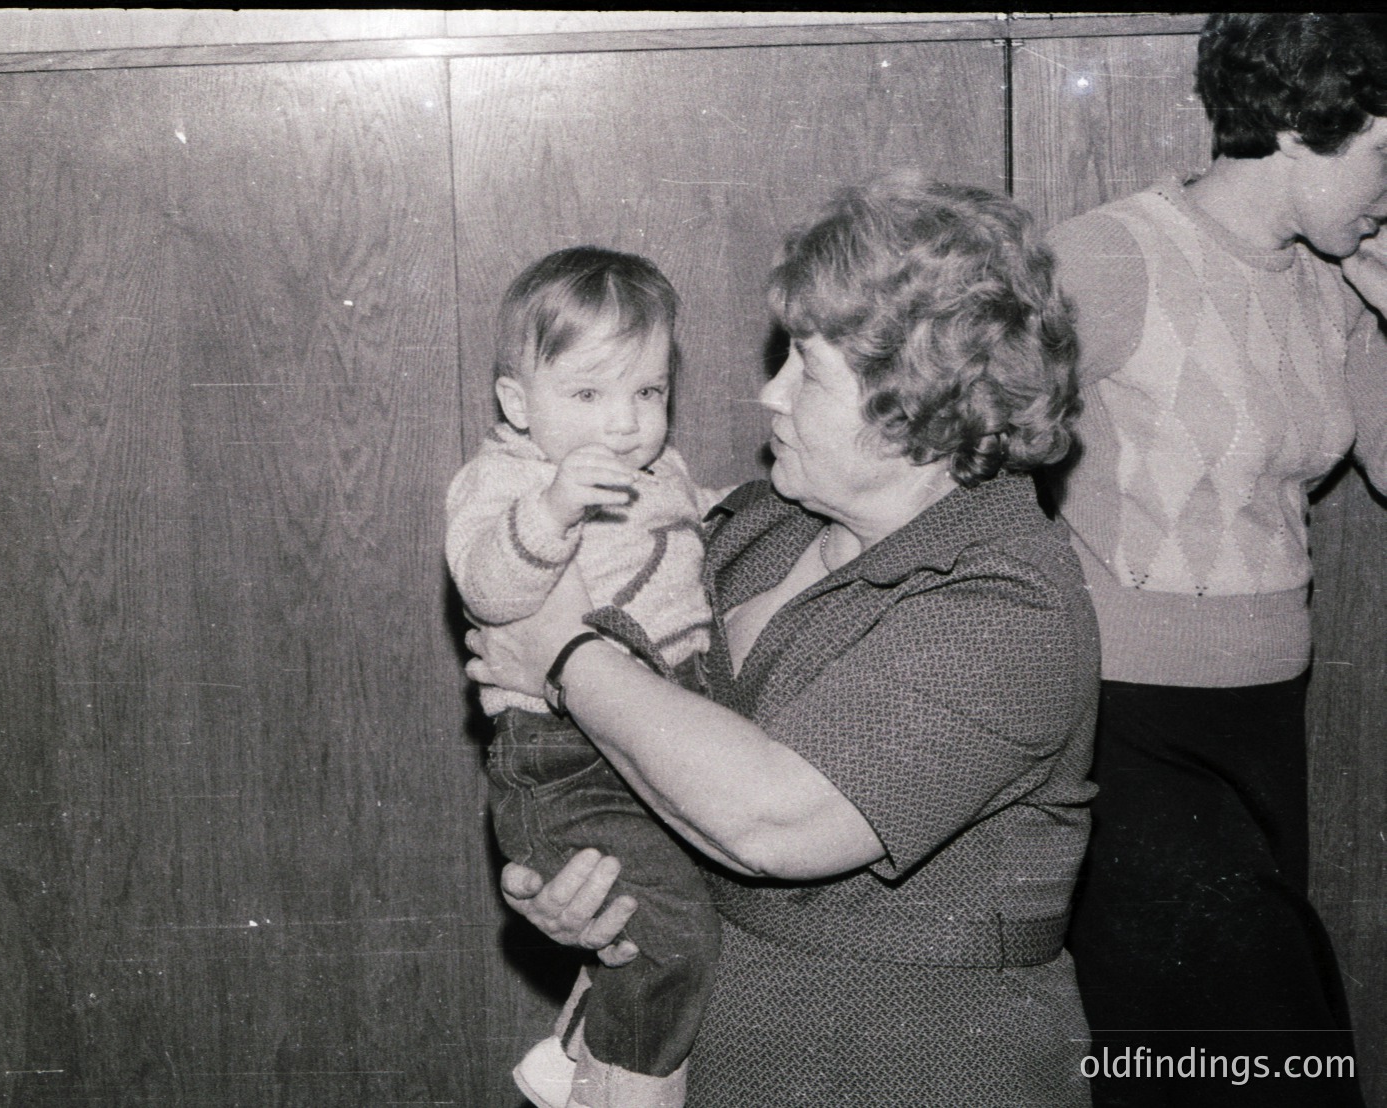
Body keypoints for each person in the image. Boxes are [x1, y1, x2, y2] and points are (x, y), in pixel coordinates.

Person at [467, 175, 1098, 1106]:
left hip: (905, 1071)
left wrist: (563, 654)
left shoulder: (1009, 605)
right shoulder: (766, 525)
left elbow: (771, 820)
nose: (769, 393)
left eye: (806, 368)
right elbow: (661, 769)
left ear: (912, 404)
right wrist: (597, 895)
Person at [1049, 13, 1387, 1107]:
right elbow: (946, 443)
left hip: (1262, 722)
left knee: (1195, 1064)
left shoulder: (1335, 278)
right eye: (1386, 150)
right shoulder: (1107, 254)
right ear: (1295, 122)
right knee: (1264, 1059)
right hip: (1120, 720)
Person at [446, 246, 729, 1108]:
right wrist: (555, 510)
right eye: (587, 394)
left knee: (673, 920)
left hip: (666, 720)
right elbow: (488, 587)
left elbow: (693, 523)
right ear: (515, 404)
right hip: (565, 762)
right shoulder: (506, 480)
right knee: (674, 934)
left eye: (647, 393)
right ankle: (621, 1086)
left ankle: (577, 1050)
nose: (624, 424)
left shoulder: (658, 469)